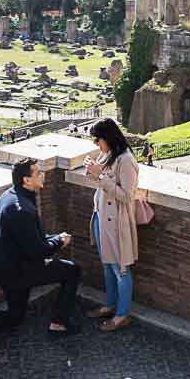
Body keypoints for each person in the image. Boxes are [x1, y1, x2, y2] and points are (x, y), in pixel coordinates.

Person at [0, 158, 79, 342]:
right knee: (72, 271)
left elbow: (30, 239)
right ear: (26, 180)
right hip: (19, 272)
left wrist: (54, 238)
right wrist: (59, 241)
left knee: (14, 317)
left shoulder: (10, 196)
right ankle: (59, 323)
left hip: (8, 268)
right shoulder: (22, 210)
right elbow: (38, 251)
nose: (42, 175)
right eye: (37, 173)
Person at [84, 118, 140, 333]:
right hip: (100, 218)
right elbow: (100, 183)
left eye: (98, 139)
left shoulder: (126, 160)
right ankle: (109, 304)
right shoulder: (107, 155)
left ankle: (122, 314)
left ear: (108, 137)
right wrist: (93, 173)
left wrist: (100, 177)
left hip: (116, 223)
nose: (97, 144)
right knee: (107, 265)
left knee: (120, 268)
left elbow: (127, 196)